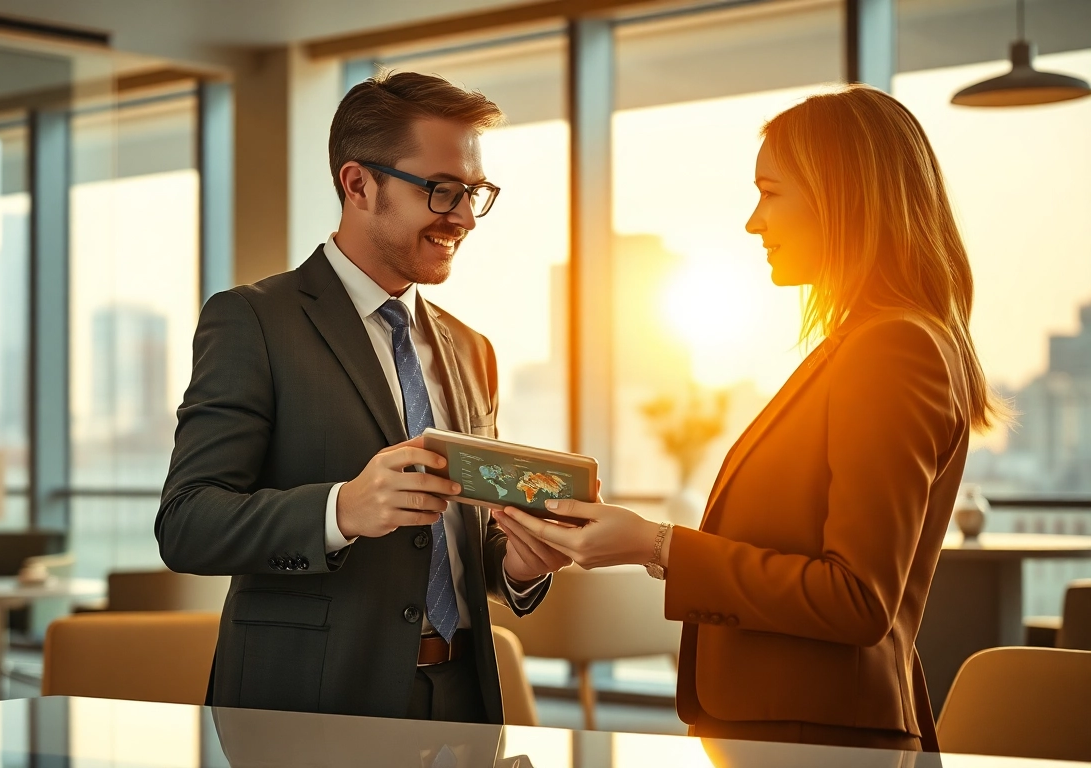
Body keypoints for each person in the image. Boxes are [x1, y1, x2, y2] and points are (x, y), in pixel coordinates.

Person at [493, 85, 1003, 750]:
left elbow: (857, 598)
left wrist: (655, 545)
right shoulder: (870, 343)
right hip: (793, 733)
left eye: (771, 191)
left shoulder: (892, 349)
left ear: (843, 199)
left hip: (812, 740)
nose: (752, 222)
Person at [155, 71, 568, 724]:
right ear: (358, 184)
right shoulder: (253, 322)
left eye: (474, 193)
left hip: (463, 699)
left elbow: (466, 545)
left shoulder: (471, 350)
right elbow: (186, 525)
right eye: (441, 190)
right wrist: (342, 509)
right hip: (310, 705)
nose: (462, 216)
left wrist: (519, 562)